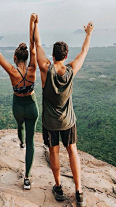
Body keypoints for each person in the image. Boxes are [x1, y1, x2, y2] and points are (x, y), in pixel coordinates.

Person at [32, 13, 94, 206]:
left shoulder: (45, 69)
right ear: (66, 56)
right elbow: (83, 52)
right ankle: (79, 191)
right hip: (68, 121)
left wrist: (35, 24)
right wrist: (88, 34)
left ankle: (58, 187)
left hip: (50, 122)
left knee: (54, 151)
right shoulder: (71, 70)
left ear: (53, 55)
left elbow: (37, 44)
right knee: (72, 150)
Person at [0, 14, 39, 190]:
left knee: (20, 126)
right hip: (32, 106)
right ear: (26, 58)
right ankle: (27, 178)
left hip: (18, 106)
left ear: (15, 58)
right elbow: (33, 47)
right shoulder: (33, 69)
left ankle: (21, 140)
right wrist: (31, 24)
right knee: (32, 143)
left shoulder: (12, 71)